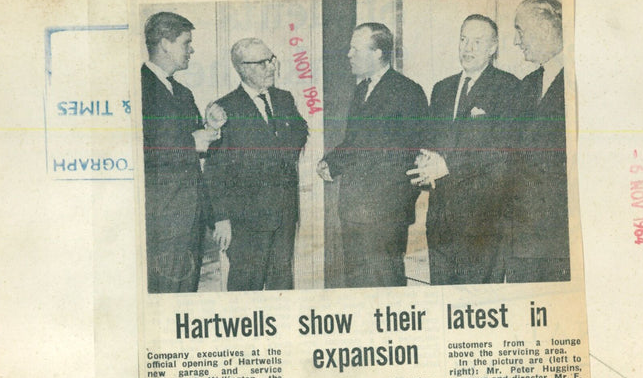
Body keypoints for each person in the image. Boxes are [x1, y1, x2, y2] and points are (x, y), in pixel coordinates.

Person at [407, 15, 520, 285]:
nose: (467, 48)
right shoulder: (442, 89)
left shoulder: (509, 88)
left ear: (493, 48)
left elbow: (503, 151)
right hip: (440, 222)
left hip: (483, 223)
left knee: (478, 307)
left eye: (477, 42)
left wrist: (448, 166)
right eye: (463, 40)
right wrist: (425, 163)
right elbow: (432, 141)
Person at [317, 22, 428, 288]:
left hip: (385, 215)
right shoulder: (361, 91)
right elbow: (354, 142)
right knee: (357, 285)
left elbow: (416, 152)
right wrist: (330, 162)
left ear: (378, 52)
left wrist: (394, 205)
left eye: (356, 49)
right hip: (353, 210)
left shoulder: (407, 91)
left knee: (384, 284)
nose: (349, 55)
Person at [205, 38, 309, 291]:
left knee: (282, 282)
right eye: (262, 63)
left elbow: (300, 132)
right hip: (246, 221)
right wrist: (221, 219)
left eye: (271, 59)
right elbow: (214, 171)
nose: (271, 67)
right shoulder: (224, 109)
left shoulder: (284, 99)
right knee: (246, 285)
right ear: (242, 68)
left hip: (284, 214)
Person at [141, 11, 223, 293]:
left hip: (191, 218)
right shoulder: (139, 88)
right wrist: (192, 143)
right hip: (162, 221)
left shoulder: (184, 93)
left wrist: (209, 127)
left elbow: (186, 142)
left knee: (185, 294)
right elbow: (141, 153)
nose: (191, 49)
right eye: (186, 43)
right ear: (165, 43)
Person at [507, 0, 571, 282]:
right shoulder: (527, 85)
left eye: (520, 31)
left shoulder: (580, 80)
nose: (516, 41)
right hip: (523, 238)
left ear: (545, 29)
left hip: (561, 241)